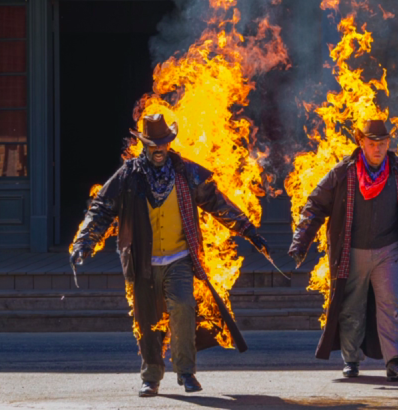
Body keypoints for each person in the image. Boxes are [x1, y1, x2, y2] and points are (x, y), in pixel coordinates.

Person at [71, 114, 269, 397]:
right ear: (144, 146)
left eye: (163, 142)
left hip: (179, 258)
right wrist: (83, 243)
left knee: (183, 307)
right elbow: (101, 208)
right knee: (147, 320)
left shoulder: (186, 172)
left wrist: (248, 230)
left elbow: (217, 203)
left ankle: (186, 372)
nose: (159, 148)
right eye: (153, 144)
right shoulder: (128, 175)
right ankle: (151, 377)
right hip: (143, 262)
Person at [288, 119, 398, 381]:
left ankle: (396, 361)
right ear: (361, 143)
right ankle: (351, 359)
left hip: (389, 251)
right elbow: (314, 206)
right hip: (352, 252)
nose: (378, 149)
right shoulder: (342, 173)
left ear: (388, 144)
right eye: (372, 144)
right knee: (352, 307)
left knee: (391, 304)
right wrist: (300, 242)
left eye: (382, 144)